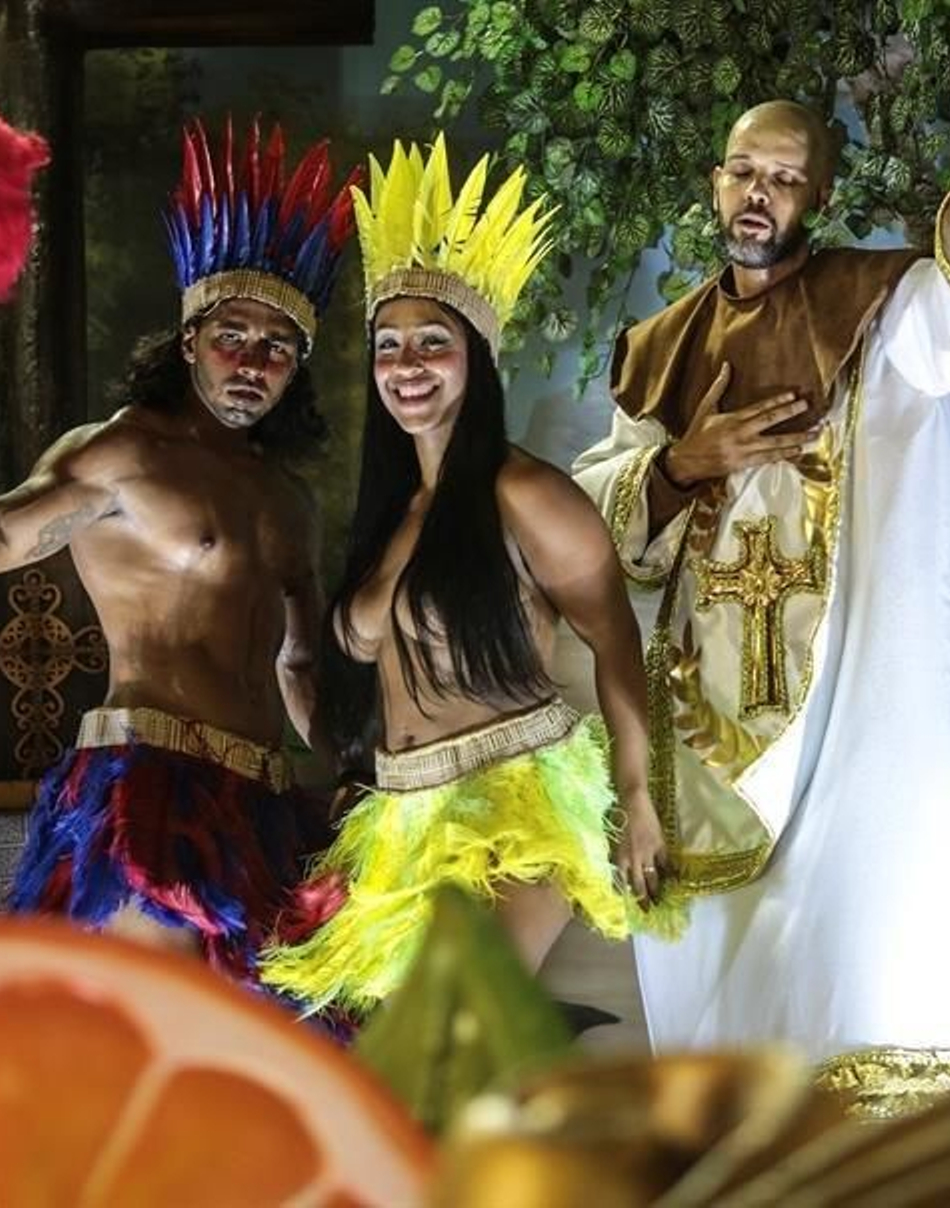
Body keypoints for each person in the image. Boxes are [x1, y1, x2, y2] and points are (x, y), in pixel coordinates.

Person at [571, 89, 950, 1114]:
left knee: (859, 966)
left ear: (819, 199)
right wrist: (680, 465)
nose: (760, 194)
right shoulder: (660, 347)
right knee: (729, 1015)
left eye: (787, 179)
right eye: (746, 172)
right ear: (716, 182)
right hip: (704, 722)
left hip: (860, 706)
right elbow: (590, 522)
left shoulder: (875, 305)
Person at [0, 118, 360, 990]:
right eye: (232, 337)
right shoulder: (123, 454)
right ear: (189, 342)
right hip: (152, 787)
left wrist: (353, 775)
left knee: (262, 1039)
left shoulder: (289, 501)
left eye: (277, 348)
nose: (251, 363)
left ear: (298, 367)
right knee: (159, 1019)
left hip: (266, 802)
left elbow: (297, 664)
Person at [260, 136, 679, 1019]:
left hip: (515, 801)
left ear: (475, 358)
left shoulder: (524, 494)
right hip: (402, 816)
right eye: (388, 346)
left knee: (457, 1030)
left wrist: (640, 800)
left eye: (432, 343)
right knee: (413, 1059)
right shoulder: (390, 517)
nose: (406, 365)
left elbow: (616, 638)